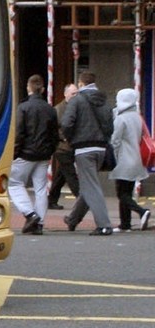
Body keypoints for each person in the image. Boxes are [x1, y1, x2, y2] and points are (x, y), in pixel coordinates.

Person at [60, 70, 115, 235]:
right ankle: (73, 219)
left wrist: (70, 139)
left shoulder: (77, 100)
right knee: (88, 185)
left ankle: (104, 225)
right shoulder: (104, 101)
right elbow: (111, 125)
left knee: (91, 186)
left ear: (81, 83)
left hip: (84, 147)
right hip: (101, 148)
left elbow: (66, 123)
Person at [7, 74, 60, 234]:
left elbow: (19, 133)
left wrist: (15, 152)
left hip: (26, 153)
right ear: (43, 89)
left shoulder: (23, 108)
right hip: (44, 154)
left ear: (28, 88)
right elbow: (54, 135)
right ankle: (40, 223)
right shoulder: (50, 109)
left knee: (14, 183)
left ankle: (30, 214)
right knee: (41, 189)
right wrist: (50, 150)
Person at [108, 88, 152, 231]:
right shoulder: (138, 117)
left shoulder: (121, 118)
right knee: (127, 191)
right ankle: (125, 223)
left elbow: (115, 141)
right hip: (136, 159)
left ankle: (141, 211)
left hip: (123, 160)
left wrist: (110, 158)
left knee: (121, 193)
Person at [48, 83, 79, 210]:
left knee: (61, 175)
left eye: (77, 93)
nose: (75, 96)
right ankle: (82, 199)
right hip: (62, 147)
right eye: (73, 94)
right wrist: (62, 138)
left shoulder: (77, 107)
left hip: (71, 146)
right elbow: (55, 129)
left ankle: (51, 200)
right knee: (71, 175)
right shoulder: (58, 110)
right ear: (65, 94)